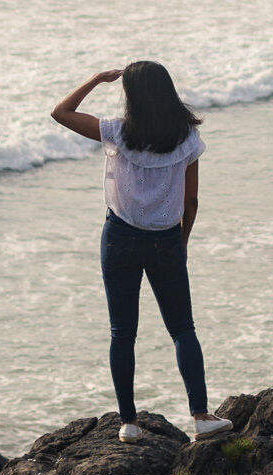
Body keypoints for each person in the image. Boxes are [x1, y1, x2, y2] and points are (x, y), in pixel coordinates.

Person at [51, 62, 233, 442]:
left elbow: (60, 113)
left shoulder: (116, 131)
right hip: (166, 239)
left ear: (131, 96)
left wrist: (97, 79)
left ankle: (128, 423)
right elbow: (192, 201)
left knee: (122, 333)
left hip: (119, 238)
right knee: (183, 330)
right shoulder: (186, 138)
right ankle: (201, 416)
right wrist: (180, 243)